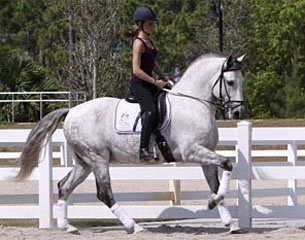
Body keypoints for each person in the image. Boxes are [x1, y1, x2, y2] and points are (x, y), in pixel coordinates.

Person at [123, 6, 170, 161]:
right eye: (150, 24)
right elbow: (136, 70)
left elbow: (152, 63)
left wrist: (165, 77)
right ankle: (143, 149)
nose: (152, 26)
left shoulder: (149, 41)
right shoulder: (138, 43)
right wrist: (155, 81)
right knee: (150, 111)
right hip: (139, 85)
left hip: (149, 83)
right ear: (141, 24)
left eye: (152, 24)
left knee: (167, 103)